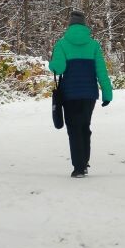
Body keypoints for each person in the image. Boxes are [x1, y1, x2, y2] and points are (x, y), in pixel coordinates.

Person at [49, 10, 113, 178]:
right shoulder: (94, 45)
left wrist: (52, 63)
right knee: (85, 127)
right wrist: (107, 93)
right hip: (89, 95)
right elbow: (101, 71)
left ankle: (79, 168)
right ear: (84, 25)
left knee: (74, 129)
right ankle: (84, 163)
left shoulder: (62, 44)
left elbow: (58, 68)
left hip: (70, 94)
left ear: (69, 25)